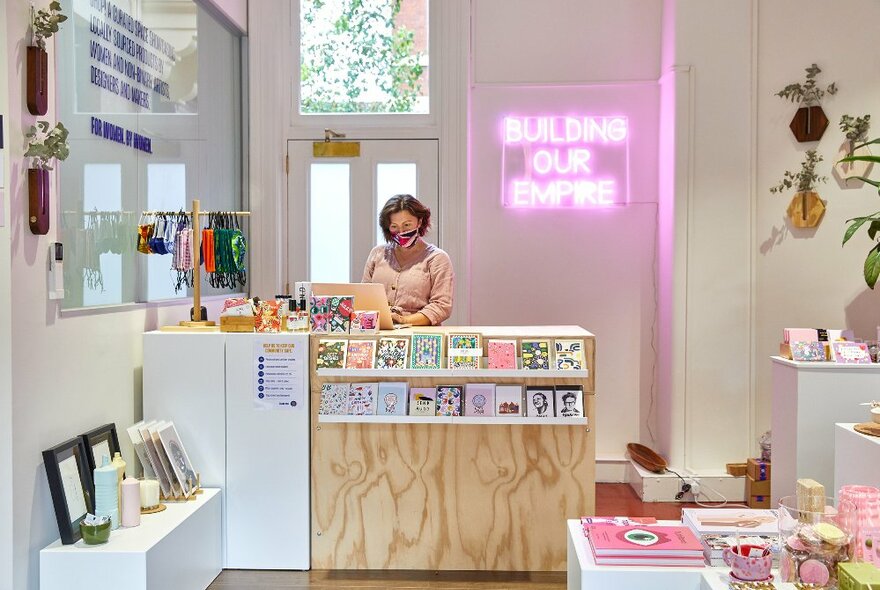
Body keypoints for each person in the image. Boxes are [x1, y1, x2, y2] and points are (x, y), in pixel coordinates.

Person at [362, 194, 454, 326]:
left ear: (420, 221)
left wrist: (404, 320)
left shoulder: (437, 258)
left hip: (420, 335)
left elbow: (441, 306)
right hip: (380, 332)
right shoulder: (378, 253)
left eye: (407, 225)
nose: (401, 231)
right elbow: (365, 295)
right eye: (394, 226)